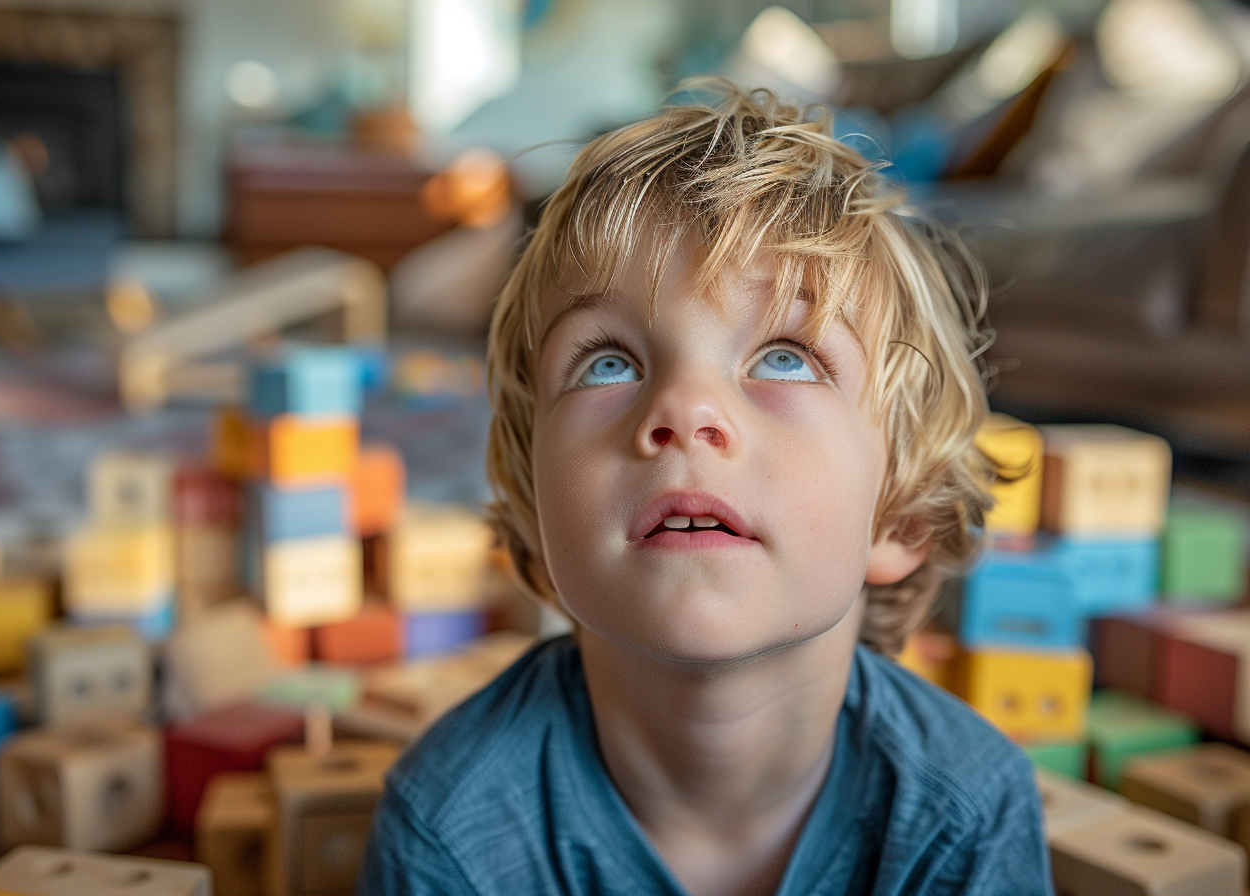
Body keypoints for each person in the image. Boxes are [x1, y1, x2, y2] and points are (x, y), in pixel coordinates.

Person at [359, 80, 1052, 896]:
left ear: (899, 514)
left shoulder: (965, 815)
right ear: (537, 522)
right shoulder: (451, 829)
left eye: (786, 356)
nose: (684, 411)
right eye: (608, 361)